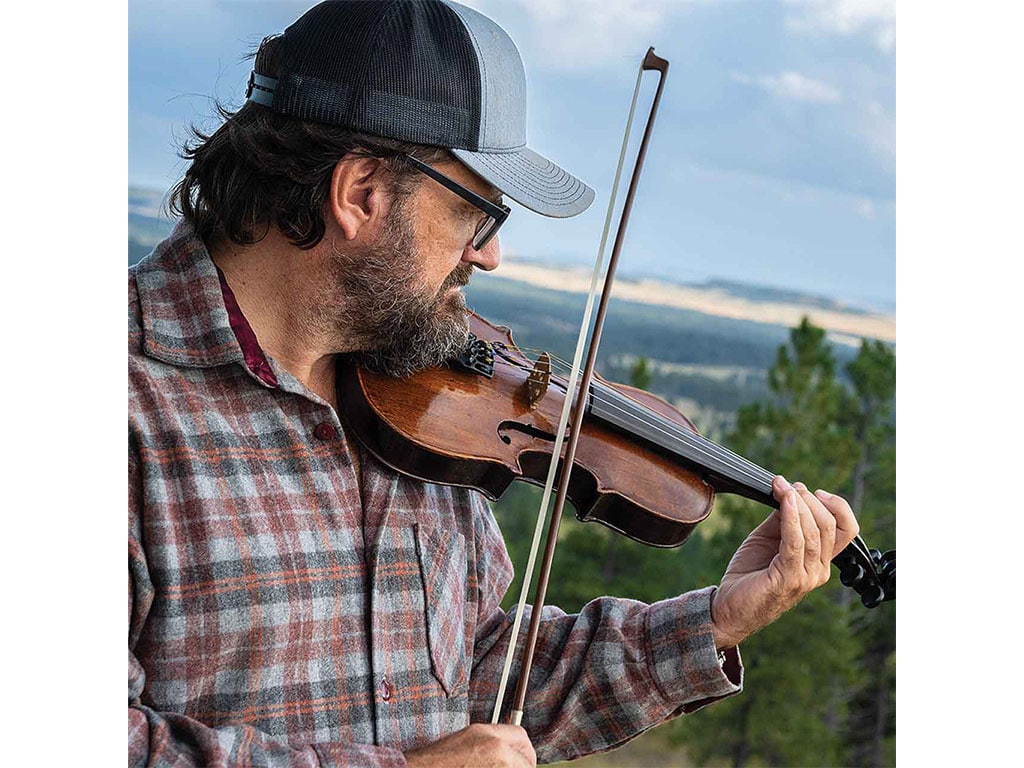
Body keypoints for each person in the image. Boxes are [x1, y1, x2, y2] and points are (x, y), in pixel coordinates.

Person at [128, 2, 860, 766]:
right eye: (478, 214)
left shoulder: (423, 400)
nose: (493, 255)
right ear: (361, 193)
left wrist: (712, 623)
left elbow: (477, 673)